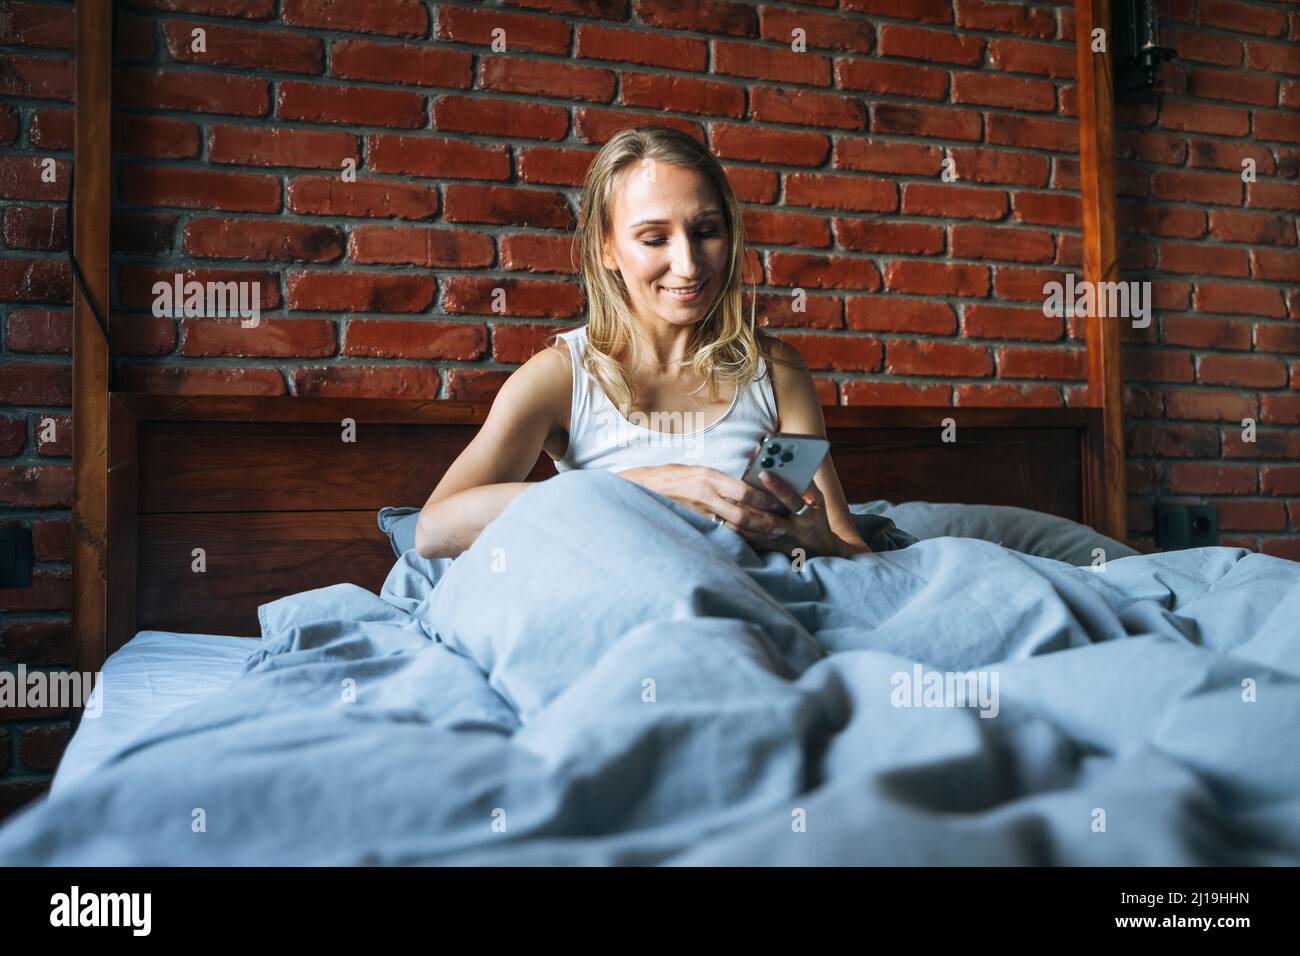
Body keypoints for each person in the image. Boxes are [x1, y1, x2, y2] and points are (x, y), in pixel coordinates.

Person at [415, 125, 873, 562]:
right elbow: (434, 530)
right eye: (655, 239)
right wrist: (641, 488)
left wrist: (813, 543)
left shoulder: (776, 371)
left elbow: (850, 546)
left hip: (756, 594)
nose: (689, 265)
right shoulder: (560, 377)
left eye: (706, 232)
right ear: (607, 249)